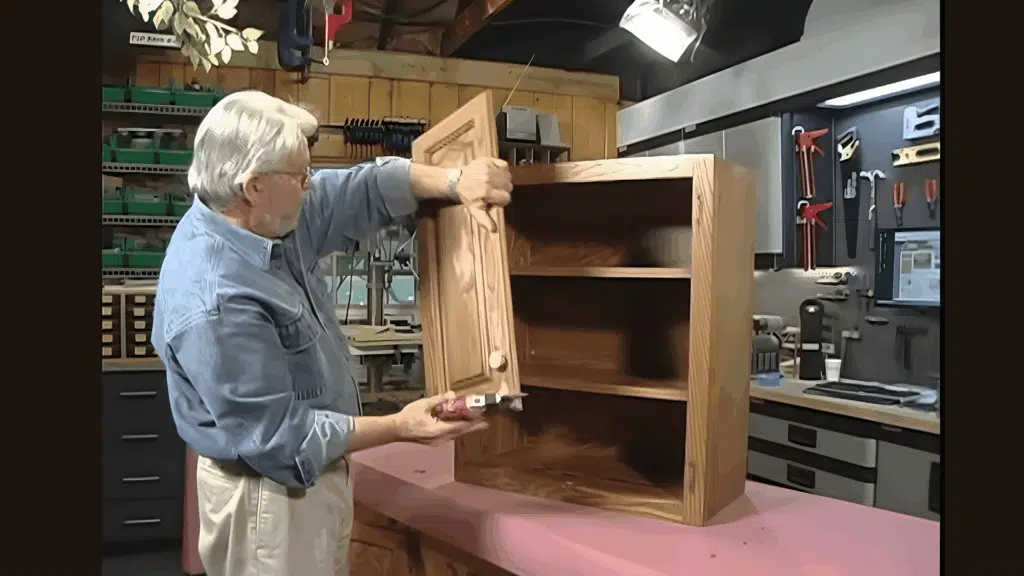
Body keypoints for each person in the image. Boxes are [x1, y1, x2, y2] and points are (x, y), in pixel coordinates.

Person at [150, 90, 513, 576]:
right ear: (253, 186)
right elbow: (280, 438)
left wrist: (455, 181)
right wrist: (400, 427)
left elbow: (365, 187)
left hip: (308, 478)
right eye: (301, 176)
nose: (310, 184)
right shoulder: (213, 298)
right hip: (270, 499)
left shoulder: (267, 215)